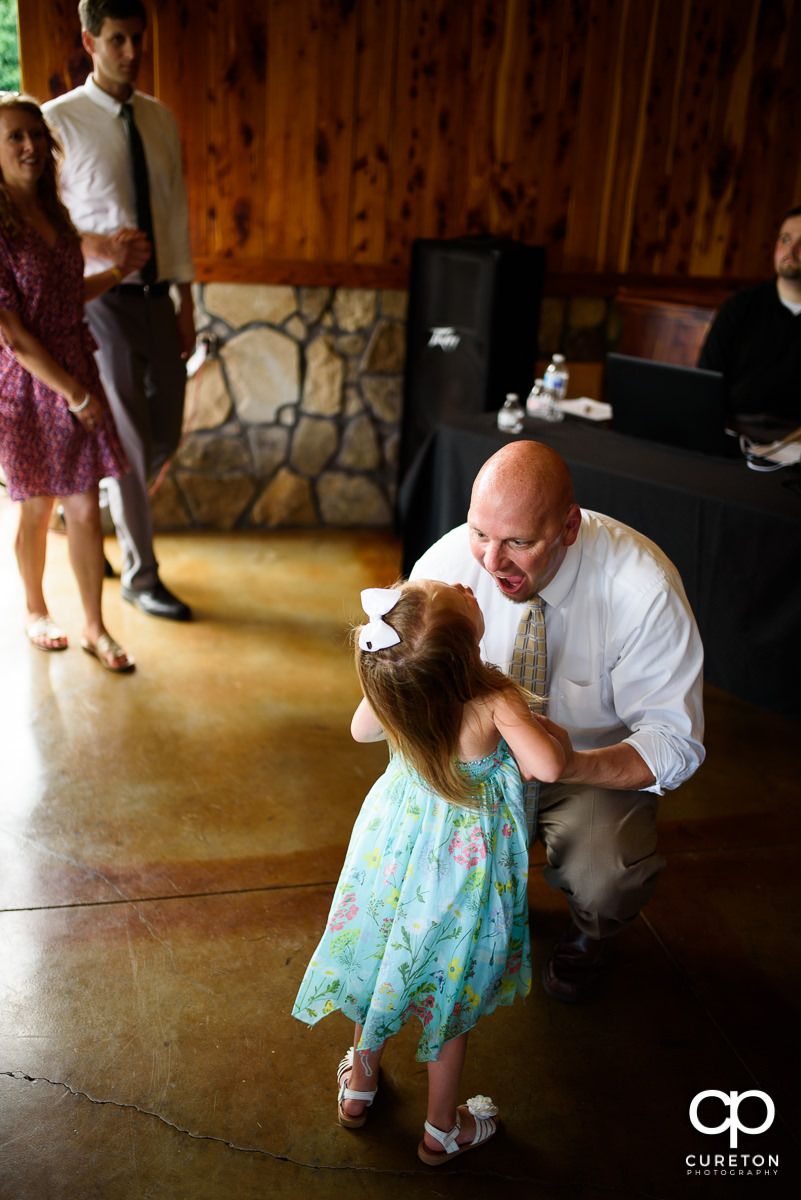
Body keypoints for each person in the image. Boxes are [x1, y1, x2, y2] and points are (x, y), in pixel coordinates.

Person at [410, 440, 705, 1003]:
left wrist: (572, 763)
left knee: (607, 878)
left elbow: (676, 742)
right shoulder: (448, 563)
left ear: (569, 527)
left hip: (588, 768)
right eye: (480, 533)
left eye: (519, 542)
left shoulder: (643, 590)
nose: (491, 562)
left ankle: (591, 933)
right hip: (475, 760)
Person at [293, 580, 565, 1165]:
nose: (464, 583)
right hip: (461, 874)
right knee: (450, 989)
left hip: (396, 857)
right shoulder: (494, 697)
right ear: (468, 647)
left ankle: (360, 1089)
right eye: (456, 594)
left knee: (387, 961)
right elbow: (545, 764)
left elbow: (361, 730)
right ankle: (443, 1130)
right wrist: (542, 736)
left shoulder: (400, 689)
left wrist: (389, 679)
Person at [43, 0, 195, 622]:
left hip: (161, 298)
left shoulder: (160, 121)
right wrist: (94, 245)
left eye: (137, 38)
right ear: (89, 40)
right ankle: (142, 575)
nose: (131, 52)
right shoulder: (57, 122)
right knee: (130, 441)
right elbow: (38, 219)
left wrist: (187, 299)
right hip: (99, 301)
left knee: (163, 432)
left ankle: (90, 514)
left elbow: (177, 214)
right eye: (116, 40)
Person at [0, 92, 142, 671]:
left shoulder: (53, 214)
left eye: (36, 134)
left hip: (75, 369)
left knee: (85, 508)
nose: (31, 145)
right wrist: (76, 394)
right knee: (37, 507)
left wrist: (115, 272)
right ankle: (35, 609)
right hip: (29, 384)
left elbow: (60, 297)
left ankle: (94, 626)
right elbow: (13, 333)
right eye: (14, 136)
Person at [697, 205, 801, 431]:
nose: (791, 250)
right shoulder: (740, 306)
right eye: (785, 240)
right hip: (735, 433)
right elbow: (706, 379)